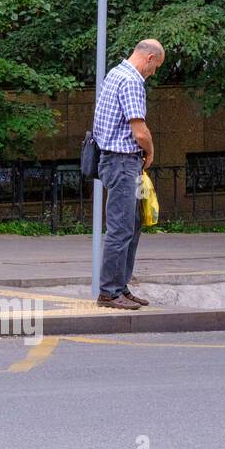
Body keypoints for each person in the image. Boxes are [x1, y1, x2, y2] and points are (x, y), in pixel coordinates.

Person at [92, 38, 165, 310]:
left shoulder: (115, 73)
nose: (153, 72)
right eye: (155, 66)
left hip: (115, 161)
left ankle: (120, 287)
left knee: (131, 227)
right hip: (123, 163)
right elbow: (139, 130)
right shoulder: (133, 81)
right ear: (148, 58)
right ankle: (109, 293)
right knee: (121, 229)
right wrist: (151, 151)